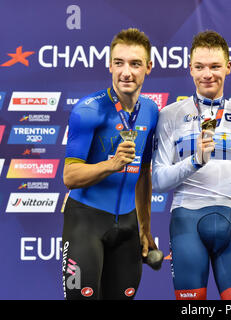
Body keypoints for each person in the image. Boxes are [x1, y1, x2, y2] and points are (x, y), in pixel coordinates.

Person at [152, 30, 231, 300]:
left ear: (228, 67)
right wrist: (194, 161)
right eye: (200, 67)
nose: (208, 74)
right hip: (186, 225)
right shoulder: (170, 115)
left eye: (215, 66)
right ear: (189, 69)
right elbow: (158, 180)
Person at [62, 28, 159, 300]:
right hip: (85, 222)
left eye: (135, 64)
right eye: (119, 63)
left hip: (128, 226)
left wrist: (145, 229)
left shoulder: (151, 112)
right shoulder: (88, 110)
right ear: (110, 65)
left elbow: (143, 175)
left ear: (148, 67)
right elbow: (69, 176)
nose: (126, 72)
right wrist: (110, 164)